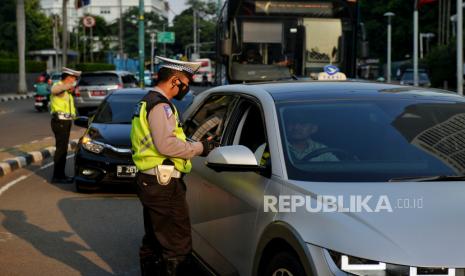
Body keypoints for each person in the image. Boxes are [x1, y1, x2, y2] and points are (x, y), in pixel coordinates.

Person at [130, 56, 217, 276]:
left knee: (154, 242)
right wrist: (201, 148)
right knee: (177, 246)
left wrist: (194, 143)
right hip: (163, 184)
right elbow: (166, 144)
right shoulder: (161, 106)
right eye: (186, 82)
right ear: (175, 81)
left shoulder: (148, 101)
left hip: (152, 181)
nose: (186, 88)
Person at [50, 67, 81, 183]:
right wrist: (68, 86)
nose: (74, 81)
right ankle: (57, 176)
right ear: (67, 78)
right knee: (61, 150)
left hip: (65, 122)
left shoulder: (65, 90)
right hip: (60, 122)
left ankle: (61, 175)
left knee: (62, 149)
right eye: (73, 78)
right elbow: (54, 90)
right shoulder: (58, 86)